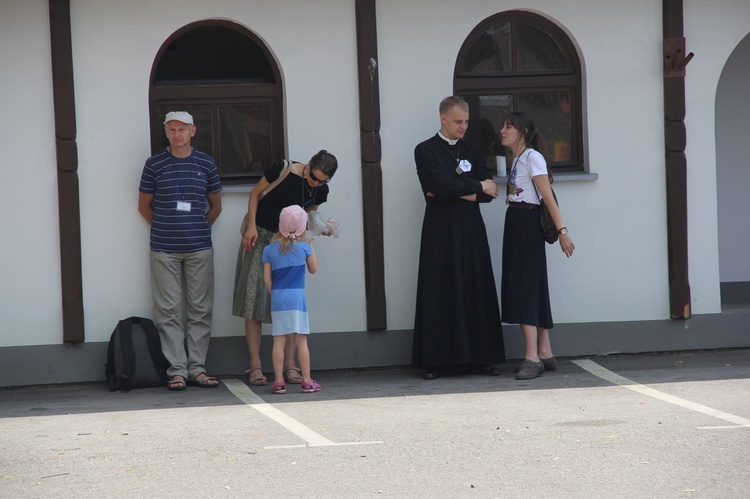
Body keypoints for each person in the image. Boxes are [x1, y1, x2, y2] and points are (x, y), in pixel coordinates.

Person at [412, 96, 506, 380]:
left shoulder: (473, 150)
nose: (463, 126)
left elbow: (488, 196)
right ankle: (437, 360)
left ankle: (482, 357)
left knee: (476, 285)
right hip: (441, 229)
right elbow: (437, 184)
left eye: (466, 121)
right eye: (458, 121)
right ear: (443, 119)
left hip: (471, 228)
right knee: (441, 286)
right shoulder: (425, 150)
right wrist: (475, 186)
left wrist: (456, 190)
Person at [232, 150, 338, 386]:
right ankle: (255, 365)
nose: (316, 183)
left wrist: (321, 228)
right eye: (314, 177)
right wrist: (251, 226)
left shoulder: (322, 189)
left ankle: (291, 366)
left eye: (323, 181)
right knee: (253, 299)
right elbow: (255, 193)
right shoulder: (284, 169)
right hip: (259, 235)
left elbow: (308, 217)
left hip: (290, 243)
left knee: (288, 304)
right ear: (309, 164)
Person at [138, 111, 223, 391]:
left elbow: (216, 206)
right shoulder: (154, 164)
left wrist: (197, 227)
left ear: (193, 131)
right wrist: (165, 226)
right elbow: (144, 206)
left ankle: (197, 369)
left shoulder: (206, 163)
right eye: (172, 130)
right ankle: (177, 371)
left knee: (200, 311)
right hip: (164, 249)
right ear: (165, 132)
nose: (177, 135)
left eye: (182, 129)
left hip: (199, 248)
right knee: (168, 312)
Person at [499, 111, 575, 380]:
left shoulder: (532, 157)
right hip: (517, 222)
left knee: (525, 286)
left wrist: (562, 231)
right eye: (503, 126)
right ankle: (544, 352)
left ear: (522, 133)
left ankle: (532, 358)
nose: (503, 131)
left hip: (527, 224)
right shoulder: (517, 158)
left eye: (509, 127)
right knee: (531, 284)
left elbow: (548, 198)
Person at [262, 205, 321, 394]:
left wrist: (275, 293)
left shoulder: (270, 250)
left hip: (279, 298)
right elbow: (313, 269)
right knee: (300, 340)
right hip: (297, 298)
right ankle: (306, 380)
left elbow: (266, 278)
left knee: (279, 340)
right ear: (303, 226)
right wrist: (311, 247)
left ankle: (279, 381)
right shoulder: (304, 248)